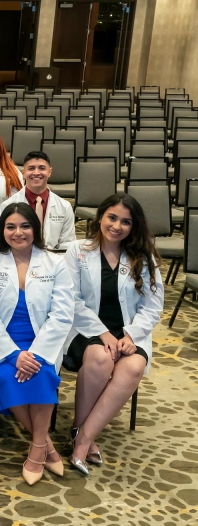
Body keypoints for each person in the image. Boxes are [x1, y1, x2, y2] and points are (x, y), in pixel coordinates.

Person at [0, 203, 73, 485]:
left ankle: (37, 449)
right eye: (11, 226)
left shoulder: (55, 263)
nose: (18, 233)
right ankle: (46, 446)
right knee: (6, 376)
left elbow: (62, 314)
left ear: (35, 229)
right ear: (2, 230)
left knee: (43, 373)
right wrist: (14, 354)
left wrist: (37, 354)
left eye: (25, 226)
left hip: (43, 340)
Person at [64, 194, 163, 475]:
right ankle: (83, 436)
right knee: (100, 358)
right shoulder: (77, 250)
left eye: (126, 221)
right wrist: (102, 332)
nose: (117, 226)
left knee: (133, 367)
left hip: (129, 334)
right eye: (112, 217)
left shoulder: (142, 258)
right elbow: (70, 300)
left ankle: (82, 436)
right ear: (100, 218)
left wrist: (131, 336)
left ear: (135, 226)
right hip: (85, 329)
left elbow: (153, 307)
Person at [1, 151, 76, 249]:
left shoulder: (64, 206)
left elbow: (67, 243)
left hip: (53, 260)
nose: (36, 173)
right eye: (31, 168)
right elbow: (3, 241)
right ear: (23, 173)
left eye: (42, 168)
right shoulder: (7, 205)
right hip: (17, 259)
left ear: (49, 172)